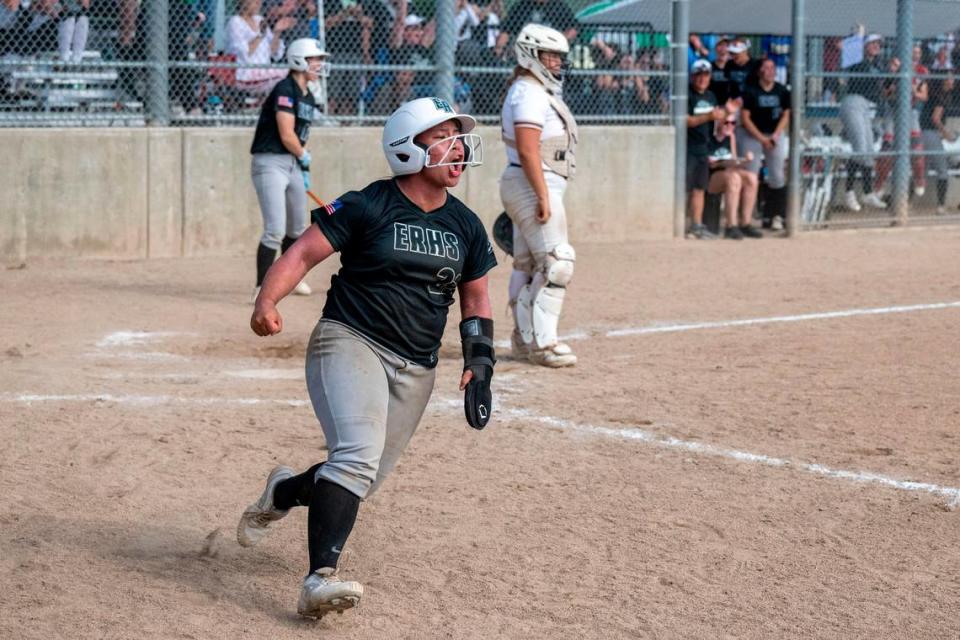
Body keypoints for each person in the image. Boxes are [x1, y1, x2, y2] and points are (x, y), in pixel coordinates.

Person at [237, 96, 496, 619]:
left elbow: (476, 298)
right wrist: (267, 299)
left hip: (416, 366)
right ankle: (318, 579)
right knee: (355, 459)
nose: (459, 147)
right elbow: (303, 253)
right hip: (350, 340)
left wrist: (482, 362)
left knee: (362, 479)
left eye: (458, 136)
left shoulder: (467, 225)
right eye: (444, 136)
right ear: (408, 148)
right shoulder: (367, 203)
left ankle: (283, 491)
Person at [499, 24, 578, 368]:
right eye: (551, 56)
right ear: (531, 55)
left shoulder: (533, 89)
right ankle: (543, 343)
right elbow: (529, 150)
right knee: (557, 262)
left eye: (559, 57)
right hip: (532, 182)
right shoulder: (528, 91)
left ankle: (525, 338)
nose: (557, 63)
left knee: (528, 264)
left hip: (532, 182)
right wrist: (542, 195)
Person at [249, 38, 328, 302]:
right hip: (271, 160)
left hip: (292, 162)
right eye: (314, 59)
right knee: (275, 229)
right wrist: (303, 154)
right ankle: (261, 287)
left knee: (297, 226)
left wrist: (301, 159)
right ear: (298, 60)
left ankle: (291, 278)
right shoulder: (285, 88)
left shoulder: (307, 94)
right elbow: (286, 133)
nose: (319, 64)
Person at [839, 33, 889, 211]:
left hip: (868, 108)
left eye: (878, 43)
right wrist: (858, 35)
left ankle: (867, 193)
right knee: (860, 149)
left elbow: (885, 88)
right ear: (864, 45)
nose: (877, 46)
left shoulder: (877, 64)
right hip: (853, 103)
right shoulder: (857, 61)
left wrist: (892, 71)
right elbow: (849, 54)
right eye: (872, 43)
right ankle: (849, 192)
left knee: (868, 151)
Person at [740, 57, 790, 231]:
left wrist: (775, 135)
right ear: (760, 71)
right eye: (766, 68)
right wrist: (762, 139)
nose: (770, 71)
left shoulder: (781, 90)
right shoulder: (751, 91)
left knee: (777, 175)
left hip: (774, 134)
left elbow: (786, 114)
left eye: (772, 68)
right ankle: (745, 218)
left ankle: (775, 215)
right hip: (753, 135)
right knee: (751, 175)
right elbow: (745, 118)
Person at [687, 58, 733, 239]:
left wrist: (727, 112)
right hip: (688, 147)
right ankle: (682, 223)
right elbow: (686, 121)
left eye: (706, 75)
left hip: (703, 148)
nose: (702, 79)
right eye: (699, 75)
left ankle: (696, 225)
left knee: (699, 188)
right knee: (686, 188)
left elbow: (718, 119)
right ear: (692, 76)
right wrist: (708, 116)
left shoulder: (711, 96)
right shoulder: (688, 95)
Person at [707, 113, 762, 239]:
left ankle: (746, 223)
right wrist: (721, 163)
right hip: (711, 176)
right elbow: (711, 165)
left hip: (727, 171)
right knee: (733, 178)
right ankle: (731, 226)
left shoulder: (730, 137)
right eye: (726, 122)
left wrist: (745, 161)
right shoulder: (710, 137)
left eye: (733, 123)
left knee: (751, 178)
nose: (730, 126)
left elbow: (733, 162)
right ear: (719, 123)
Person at [226, 0, 296, 95]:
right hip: (247, 73)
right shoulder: (235, 21)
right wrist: (260, 35)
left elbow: (274, 53)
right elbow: (244, 52)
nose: (259, 3)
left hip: (266, 70)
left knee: (296, 73)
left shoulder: (259, 19)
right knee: (288, 77)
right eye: (255, 1)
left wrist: (277, 32)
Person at [920, 74, 957, 214]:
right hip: (929, 132)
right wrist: (946, 133)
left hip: (924, 133)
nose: (952, 82)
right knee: (942, 170)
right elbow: (935, 118)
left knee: (921, 170)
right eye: (949, 79)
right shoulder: (940, 97)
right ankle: (941, 206)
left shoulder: (939, 95)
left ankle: (906, 202)